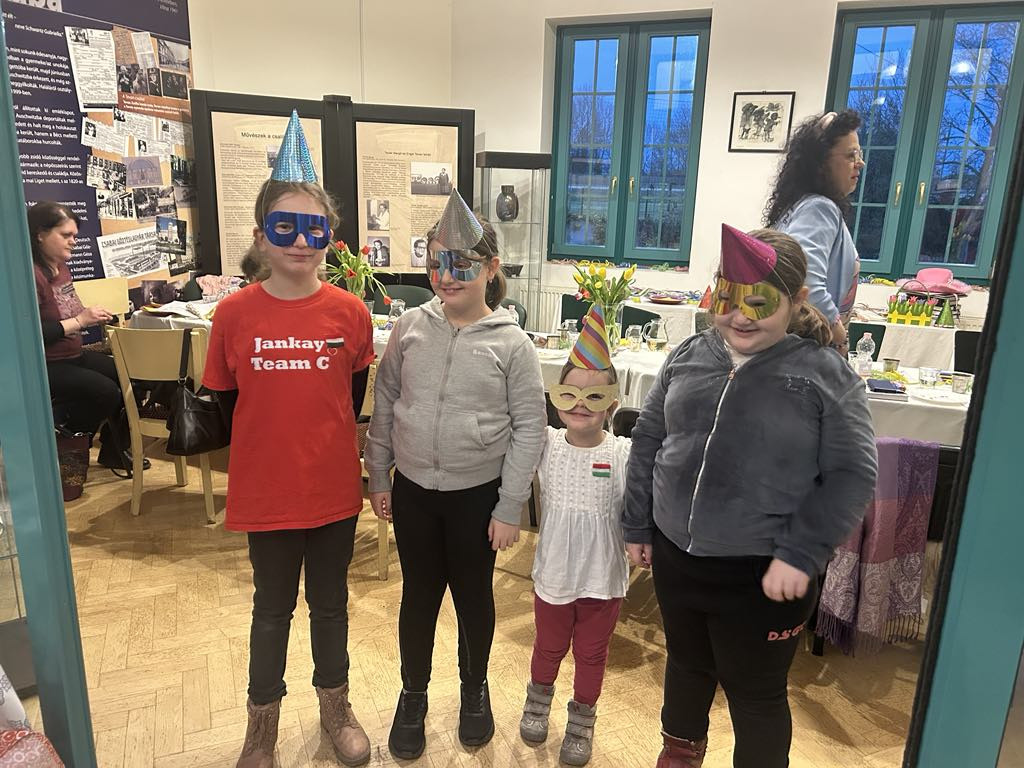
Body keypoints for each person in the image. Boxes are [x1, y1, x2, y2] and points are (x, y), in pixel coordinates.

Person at [623, 224, 877, 768]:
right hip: (676, 557)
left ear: (797, 300)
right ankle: (679, 754)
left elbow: (853, 474)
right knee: (686, 666)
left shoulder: (824, 375)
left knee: (755, 693)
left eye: (758, 303)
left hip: (763, 573)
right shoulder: (691, 353)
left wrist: (801, 553)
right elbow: (649, 436)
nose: (740, 317)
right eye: (727, 298)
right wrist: (637, 522)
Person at [202, 111, 375, 768]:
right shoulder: (233, 314)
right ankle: (262, 727)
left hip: (331, 491)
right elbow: (228, 402)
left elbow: (349, 400)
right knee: (271, 611)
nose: (301, 241)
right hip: (268, 493)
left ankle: (336, 707)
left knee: (331, 607)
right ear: (260, 236)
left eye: (314, 228)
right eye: (285, 228)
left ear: (329, 235)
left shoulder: (350, 312)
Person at [365, 189, 546, 761]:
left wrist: (510, 505)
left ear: (491, 268)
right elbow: (386, 401)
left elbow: (530, 428)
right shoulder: (409, 329)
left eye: (461, 264)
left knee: (473, 597)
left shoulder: (512, 344)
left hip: (478, 499)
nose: (446, 276)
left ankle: (474, 690)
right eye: (436, 262)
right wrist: (377, 473)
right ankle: (412, 695)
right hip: (415, 492)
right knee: (418, 597)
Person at [518, 304, 631, 767]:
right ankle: (537, 701)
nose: (581, 404)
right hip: (555, 575)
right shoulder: (546, 444)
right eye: (570, 393)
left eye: (594, 395)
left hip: (603, 580)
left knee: (591, 653)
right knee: (547, 646)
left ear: (613, 403)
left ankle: (582, 719)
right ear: (556, 398)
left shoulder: (624, 454)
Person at [30, 201, 143, 475]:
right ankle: (69, 440)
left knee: (134, 377)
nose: (73, 241)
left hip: (73, 355)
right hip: (46, 364)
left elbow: (68, 309)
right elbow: (32, 333)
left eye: (75, 235)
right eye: (66, 235)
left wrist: (91, 315)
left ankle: (114, 451)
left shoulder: (60, 267)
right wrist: (80, 321)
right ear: (40, 234)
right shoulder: (31, 276)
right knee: (106, 391)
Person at [764, 109, 865, 356]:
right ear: (821, 163)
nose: (860, 163)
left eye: (859, 154)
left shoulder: (802, 205)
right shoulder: (819, 208)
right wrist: (838, 335)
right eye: (851, 155)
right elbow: (805, 279)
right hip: (808, 345)